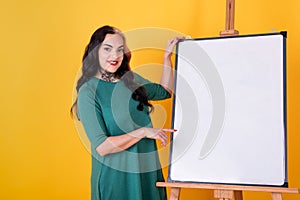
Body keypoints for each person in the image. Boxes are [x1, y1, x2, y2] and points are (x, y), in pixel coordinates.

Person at [71, 25, 181, 200]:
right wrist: (144, 132)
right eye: (108, 49)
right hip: (116, 180)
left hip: (146, 174)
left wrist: (167, 57)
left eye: (120, 50)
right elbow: (103, 147)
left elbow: (164, 91)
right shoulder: (89, 91)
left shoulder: (131, 80)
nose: (115, 56)